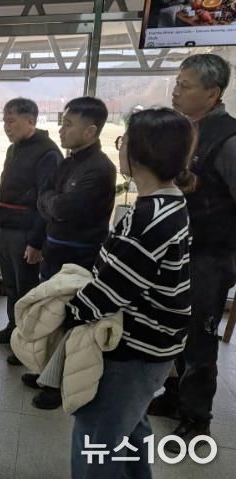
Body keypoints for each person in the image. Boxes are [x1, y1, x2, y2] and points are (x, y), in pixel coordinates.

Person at [69, 108, 194, 478]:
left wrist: (69, 312)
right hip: (157, 345)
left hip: (136, 349)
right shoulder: (170, 201)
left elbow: (112, 290)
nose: (119, 148)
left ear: (139, 154)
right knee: (131, 428)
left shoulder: (149, 218)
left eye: (123, 141)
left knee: (97, 437)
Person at [148, 53, 236, 452]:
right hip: (179, 249)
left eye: (185, 85)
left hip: (210, 256)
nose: (176, 91)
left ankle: (197, 418)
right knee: (173, 328)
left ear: (212, 93)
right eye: (177, 83)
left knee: (199, 338)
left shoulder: (228, 139)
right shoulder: (186, 129)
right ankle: (173, 396)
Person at [25, 97, 117, 409]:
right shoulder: (69, 161)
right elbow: (44, 197)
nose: (61, 130)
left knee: (71, 319)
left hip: (81, 256)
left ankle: (58, 385)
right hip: (55, 248)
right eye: (62, 123)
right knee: (50, 312)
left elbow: (65, 208)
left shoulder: (100, 168)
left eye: (68, 124)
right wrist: (53, 204)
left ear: (90, 131)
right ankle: (45, 372)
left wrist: (53, 203)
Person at [0, 98, 62, 349]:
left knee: (26, 289)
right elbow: (5, 189)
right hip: (6, 227)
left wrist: (36, 242)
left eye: (11, 121)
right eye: (4, 121)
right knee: (10, 284)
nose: (6, 127)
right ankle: (13, 328)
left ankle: (27, 342)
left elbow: (46, 201)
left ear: (30, 121)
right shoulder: (14, 149)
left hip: (27, 231)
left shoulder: (48, 153)